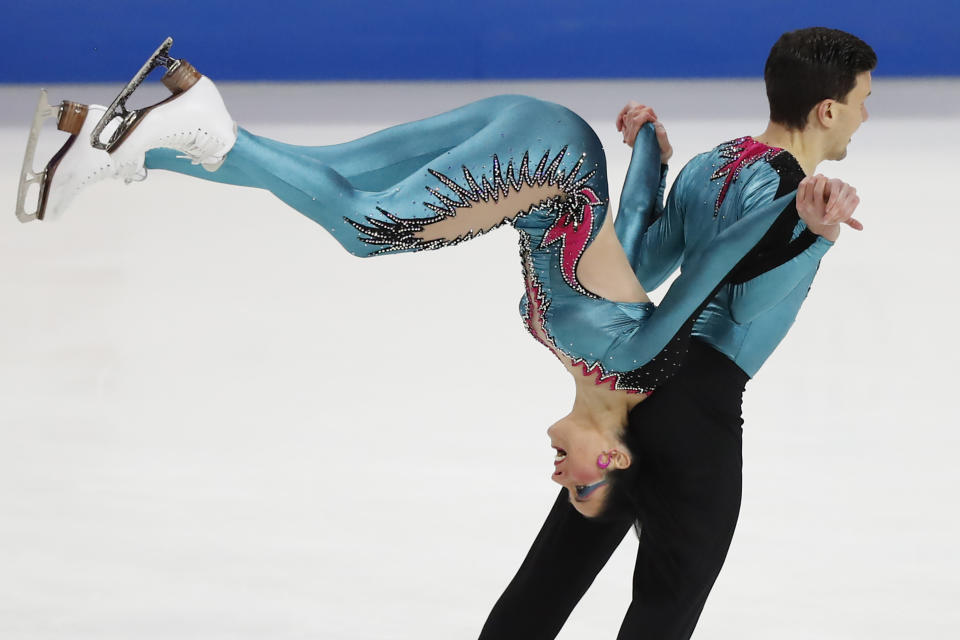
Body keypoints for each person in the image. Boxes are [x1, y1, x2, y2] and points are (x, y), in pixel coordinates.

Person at [16, 37, 835, 520]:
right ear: (614, 463)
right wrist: (791, 213)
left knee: (323, 171)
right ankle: (196, 122)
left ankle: (114, 140)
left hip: (544, 143)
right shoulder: (641, 365)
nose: (561, 483)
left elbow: (624, 242)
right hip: (548, 164)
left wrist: (644, 147)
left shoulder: (583, 359)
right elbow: (700, 273)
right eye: (581, 491)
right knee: (367, 230)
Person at [478, 26, 875, 639]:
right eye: (861, 101)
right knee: (667, 603)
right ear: (828, 109)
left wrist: (653, 169)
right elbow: (744, 306)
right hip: (700, 409)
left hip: (641, 388)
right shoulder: (792, 192)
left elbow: (643, 271)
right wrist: (816, 240)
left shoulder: (714, 162)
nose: (864, 116)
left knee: (552, 576)